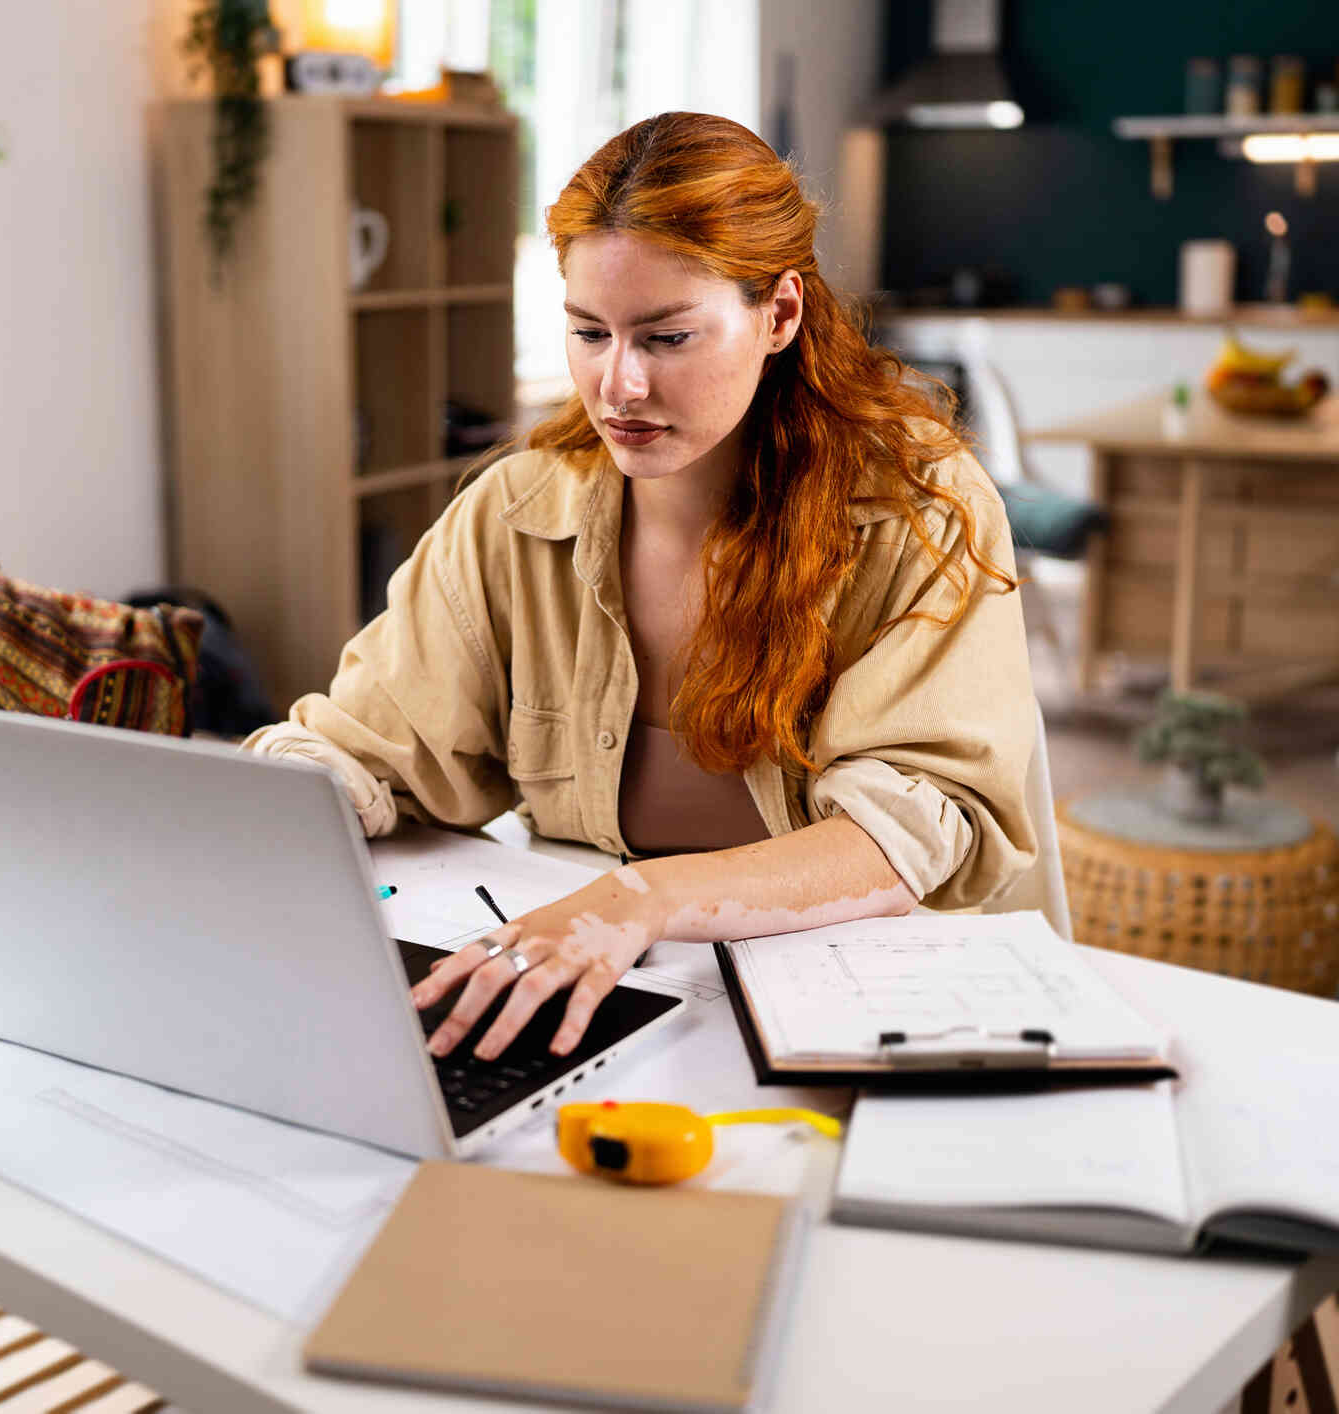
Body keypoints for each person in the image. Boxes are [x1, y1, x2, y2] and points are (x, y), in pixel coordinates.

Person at [246, 112, 1036, 1062]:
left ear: (779, 314)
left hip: (867, 989)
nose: (617, 385)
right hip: (617, 980)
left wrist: (640, 901)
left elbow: (908, 832)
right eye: (588, 332)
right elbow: (378, 743)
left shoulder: (919, 507)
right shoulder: (517, 509)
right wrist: (275, 794)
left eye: (665, 338)